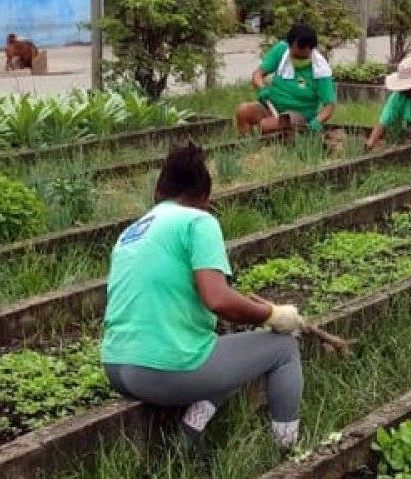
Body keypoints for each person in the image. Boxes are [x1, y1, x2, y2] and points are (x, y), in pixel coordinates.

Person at [102, 143, 306, 453]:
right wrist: (273, 316)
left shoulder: (132, 231)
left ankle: (187, 438)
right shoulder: (198, 221)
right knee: (283, 348)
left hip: (116, 365)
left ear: (159, 191)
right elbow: (219, 300)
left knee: (224, 350)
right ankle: (288, 450)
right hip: (163, 369)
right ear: (205, 199)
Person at [236, 23, 336, 137]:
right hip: (271, 107)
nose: (300, 59)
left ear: (312, 50)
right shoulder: (281, 51)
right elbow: (258, 74)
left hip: (297, 116)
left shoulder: (321, 70)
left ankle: (273, 141)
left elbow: (329, 105)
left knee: (267, 126)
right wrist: (262, 87)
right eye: (296, 56)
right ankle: (245, 144)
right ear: (289, 46)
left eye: (304, 57)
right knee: (243, 111)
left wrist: (317, 121)